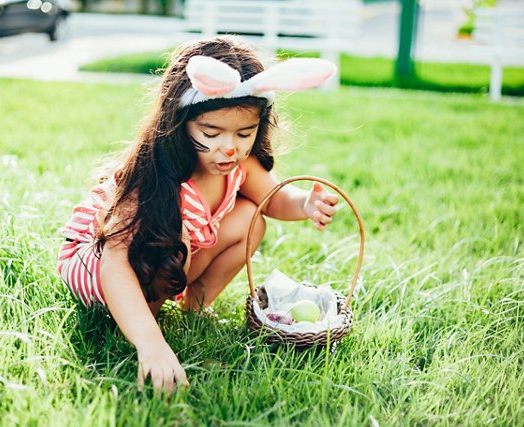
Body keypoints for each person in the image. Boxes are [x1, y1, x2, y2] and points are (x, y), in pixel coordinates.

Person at [58, 36, 341, 392]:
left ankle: (193, 308)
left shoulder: (241, 165)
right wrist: (150, 344)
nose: (230, 147)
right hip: (97, 263)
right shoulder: (153, 172)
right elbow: (114, 260)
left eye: (245, 132)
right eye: (212, 132)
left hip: (172, 252)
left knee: (250, 218)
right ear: (180, 122)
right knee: (174, 242)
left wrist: (305, 204)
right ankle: (143, 320)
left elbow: (272, 198)